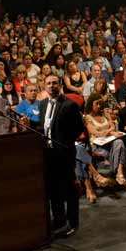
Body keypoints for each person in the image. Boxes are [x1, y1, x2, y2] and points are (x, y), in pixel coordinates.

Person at [36, 75, 84, 237]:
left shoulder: (69, 105)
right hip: (48, 155)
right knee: (54, 190)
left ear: (60, 85)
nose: (51, 86)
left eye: (54, 83)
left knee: (70, 190)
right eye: (48, 83)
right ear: (44, 86)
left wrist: (64, 142)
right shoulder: (42, 104)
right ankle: (59, 221)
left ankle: (73, 223)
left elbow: (78, 128)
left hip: (64, 153)